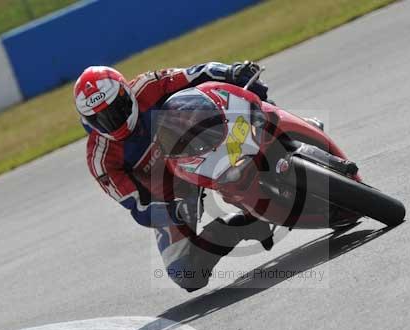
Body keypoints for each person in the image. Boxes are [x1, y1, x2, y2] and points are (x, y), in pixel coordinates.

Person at [73, 62, 274, 292]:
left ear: (125, 92)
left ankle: (286, 136)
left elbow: (198, 74)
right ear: (88, 122)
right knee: (186, 273)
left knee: (249, 97)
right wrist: (170, 212)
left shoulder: (147, 86)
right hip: (174, 196)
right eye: (102, 119)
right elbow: (137, 206)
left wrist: (231, 72)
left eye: (117, 109)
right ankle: (240, 227)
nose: (114, 121)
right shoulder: (101, 159)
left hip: (201, 146)